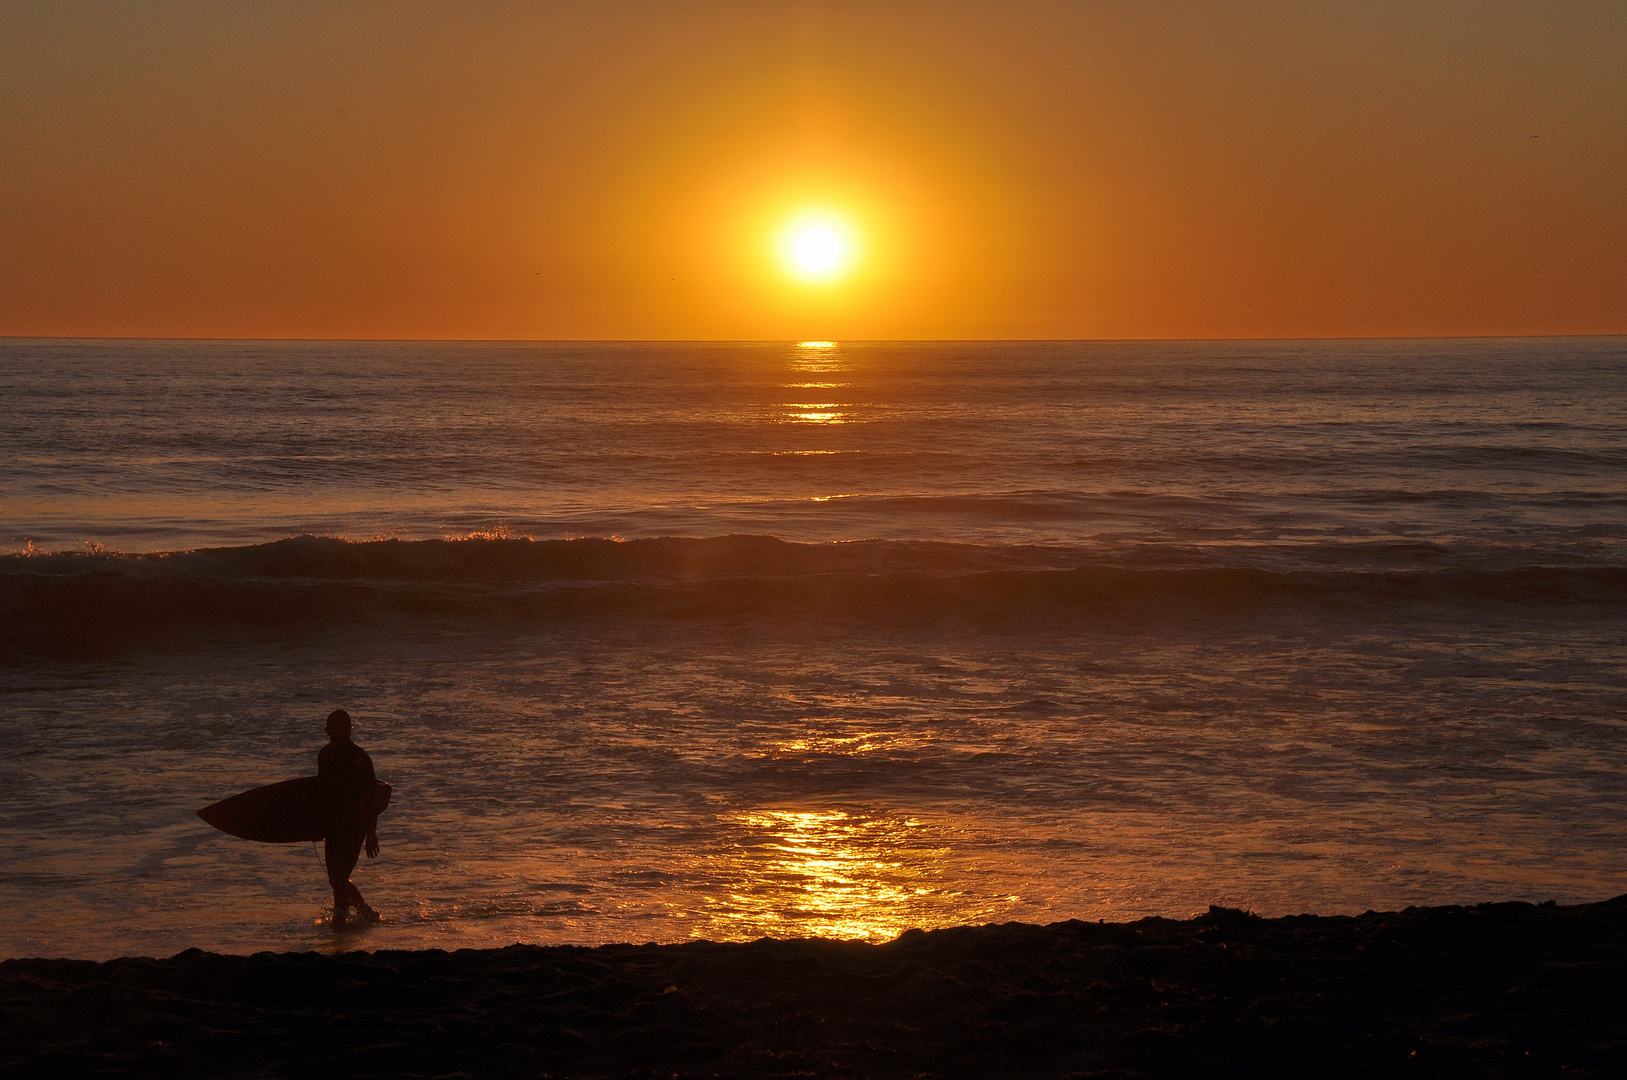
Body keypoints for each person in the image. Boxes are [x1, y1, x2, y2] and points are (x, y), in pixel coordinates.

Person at [318, 708, 381, 926]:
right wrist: (315, 825)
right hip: (333, 825)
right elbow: (321, 794)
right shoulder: (324, 756)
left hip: (355, 825)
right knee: (335, 877)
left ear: (349, 730)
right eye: (334, 729)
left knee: (339, 876)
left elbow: (372, 797)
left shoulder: (360, 758)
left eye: (344, 728)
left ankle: (340, 918)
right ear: (327, 731)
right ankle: (363, 911)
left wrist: (371, 834)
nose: (339, 733)